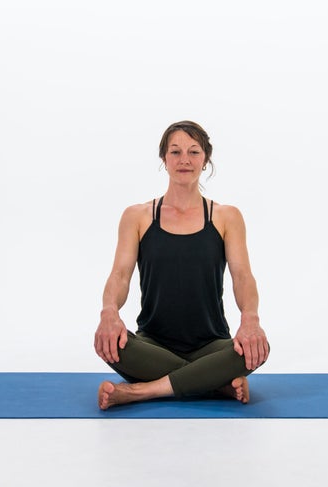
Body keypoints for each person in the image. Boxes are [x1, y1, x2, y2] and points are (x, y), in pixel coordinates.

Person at [93, 120, 269, 410]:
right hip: (152, 346)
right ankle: (216, 382)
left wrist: (251, 319)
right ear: (164, 159)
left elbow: (242, 276)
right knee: (111, 346)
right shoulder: (137, 216)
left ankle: (141, 391)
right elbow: (120, 275)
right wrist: (109, 312)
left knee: (255, 350)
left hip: (213, 344)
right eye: (175, 152)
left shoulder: (226, 217)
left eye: (194, 152)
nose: (184, 160)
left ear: (206, 159)